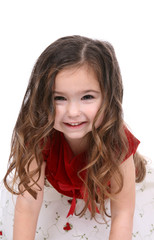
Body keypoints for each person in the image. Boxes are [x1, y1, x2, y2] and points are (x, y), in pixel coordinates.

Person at [3, 35, 146, 240]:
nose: (72, 112)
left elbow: (122, 213)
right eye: (59, 98)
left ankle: (137, 162)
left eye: (87, 97)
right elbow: (28, 205)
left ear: (109, 97)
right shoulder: (39, 135)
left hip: (107, 189)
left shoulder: (118, 142)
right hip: (60, 192)